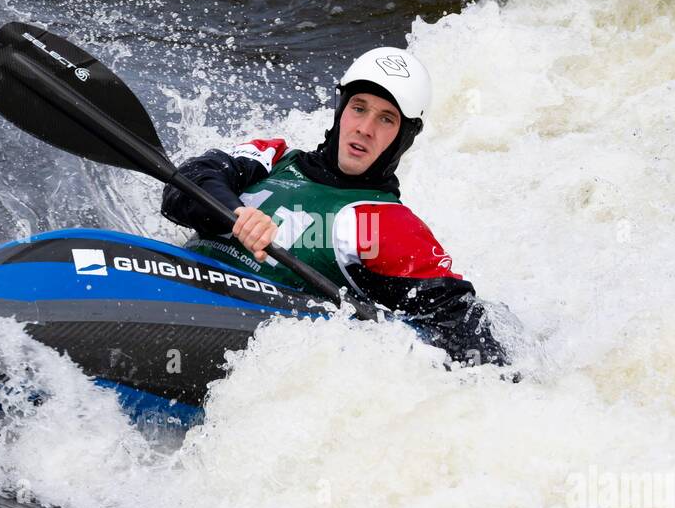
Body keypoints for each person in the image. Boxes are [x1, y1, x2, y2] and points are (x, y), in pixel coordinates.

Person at [161, 48, 512, 369]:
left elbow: (462, 326)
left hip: (236, 339)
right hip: (180, 284)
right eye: (359, 108)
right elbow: (184, 186)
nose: (365, 128)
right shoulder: (273, 157)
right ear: (342, 111)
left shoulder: (388, 224)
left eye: (386, 119)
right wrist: (237, 213)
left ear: (404, 136)